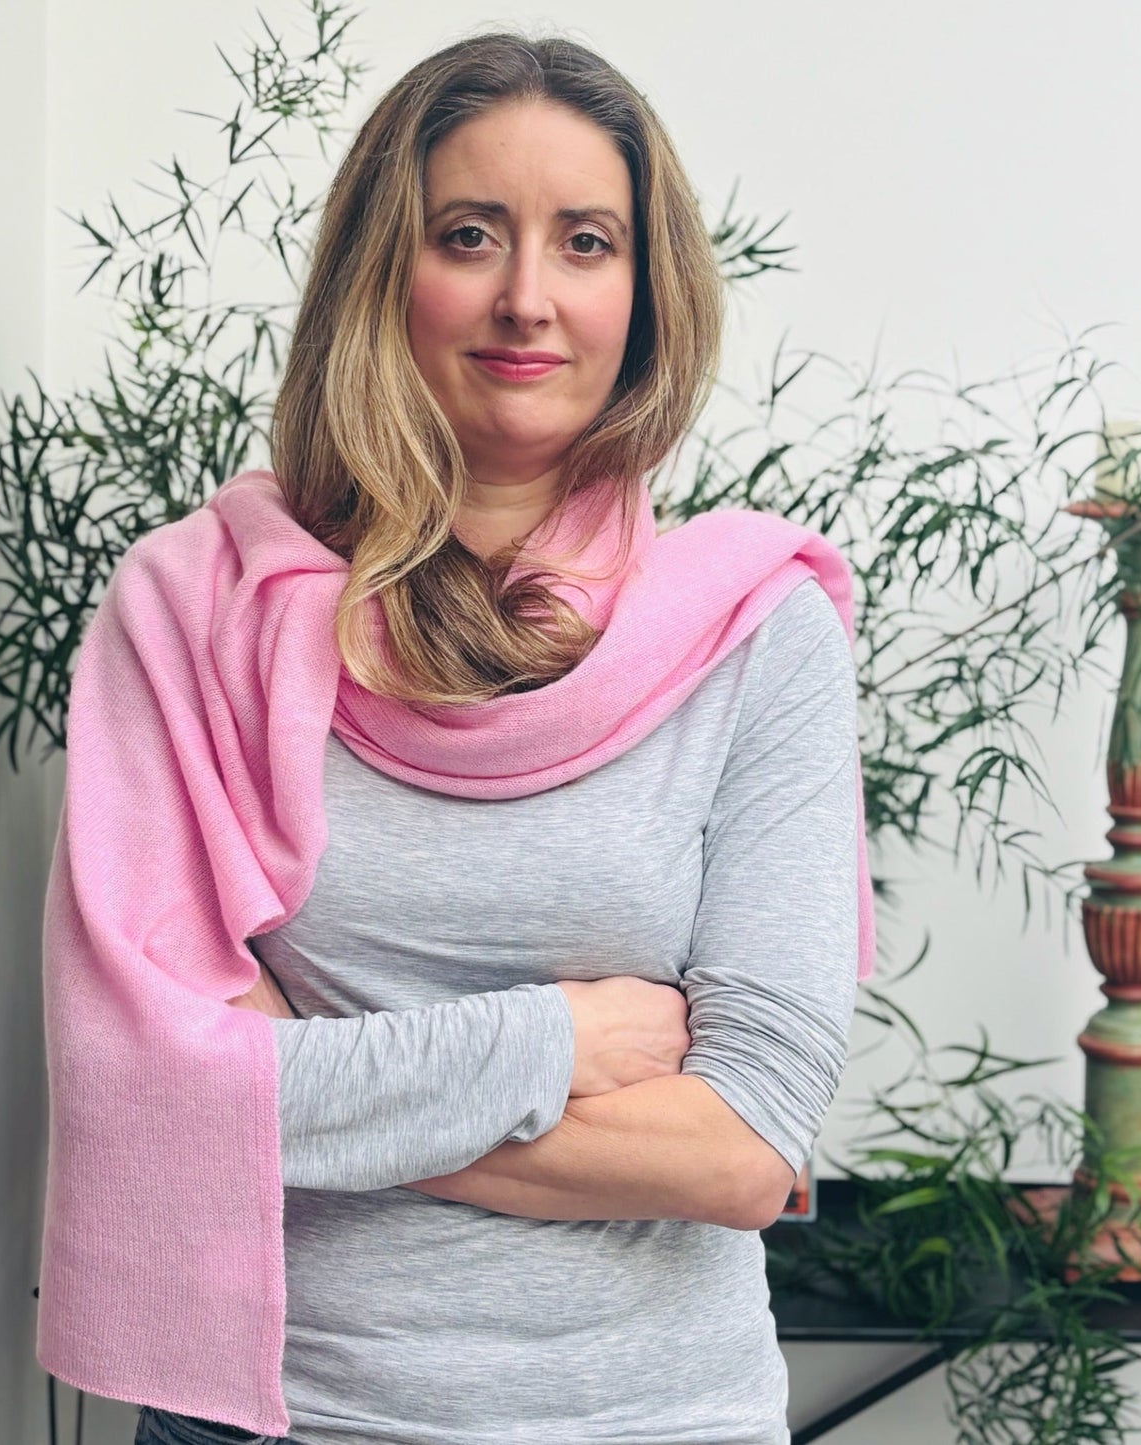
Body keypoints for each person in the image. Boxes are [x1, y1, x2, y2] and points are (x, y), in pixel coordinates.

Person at [47, 29, 868, 1445]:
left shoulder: (755, 629)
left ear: (647, 290)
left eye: (587, 242)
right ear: (384, 269)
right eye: (469, 233)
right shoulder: (194, 616)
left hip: (653, 1418)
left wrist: (310, 1085)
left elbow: (742, 1150)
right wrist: (552, 1040)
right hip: (279, 1419)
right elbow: (153, 1086)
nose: (527, 299)